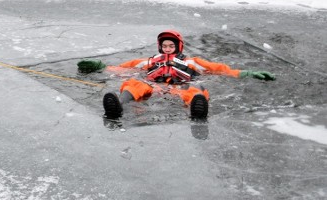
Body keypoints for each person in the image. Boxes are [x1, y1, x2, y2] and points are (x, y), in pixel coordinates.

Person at [77, 30, 276, 119]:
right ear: (160, 47)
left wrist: (247, 73)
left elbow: (219, 69)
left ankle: (197, 109)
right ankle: (118, 106)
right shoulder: (151, 61)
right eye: (165, 45)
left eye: (171, 45)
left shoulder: (192, 62)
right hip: (154, 87)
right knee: (133, 82)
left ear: (178, 46)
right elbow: (124, 67)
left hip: (179, 87)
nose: (168, 48)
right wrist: (100, 66)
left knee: (195, 90)